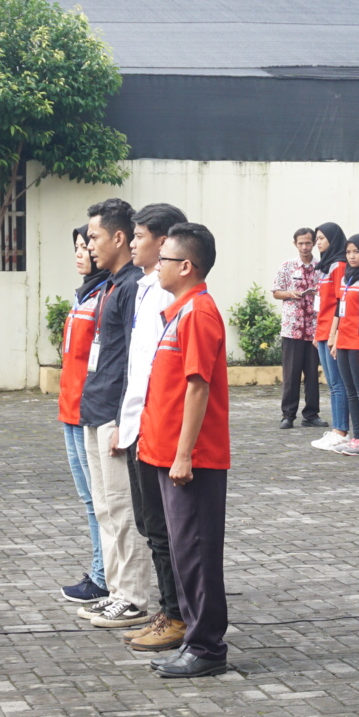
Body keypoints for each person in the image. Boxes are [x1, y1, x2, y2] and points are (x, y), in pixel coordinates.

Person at [140, 222, 233, 679]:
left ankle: (207, 647)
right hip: (168, 454)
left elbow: (198, 388)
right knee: (184, 554)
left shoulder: (199, 312)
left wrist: (183, 454)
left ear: (187, 266)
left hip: (192, 459)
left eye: (165, 259)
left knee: (196, 553)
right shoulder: (180, 311)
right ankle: (196, 640)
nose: (158, 266)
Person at [76, 198, 154, 630]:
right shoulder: (110, 284)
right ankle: (116, 590)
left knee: (122, 510)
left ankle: (134, 596)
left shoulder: (130, 288)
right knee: (106, 509)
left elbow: (134, 362)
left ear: (119, 237)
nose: (89, 245)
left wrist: (125, 424)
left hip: (113, 414)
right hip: (95, 407)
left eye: (95, 237)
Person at [117, 202, 191, 651]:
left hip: (157, 425)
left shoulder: (170, 295)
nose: (135, 243)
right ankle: (168, 609)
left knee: (163, 528)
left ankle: (177, 614)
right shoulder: (146, 288)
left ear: (164, 242)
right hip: (137, 421)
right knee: (150, 525)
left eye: (140, 236)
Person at [57, 226, 112, 605]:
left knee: (98, 499)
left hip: (88, 409)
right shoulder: (84, 295)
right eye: (77, 246)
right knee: (88, 498)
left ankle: (102, 575)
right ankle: (99, 570)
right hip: (70, 407)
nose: (81, 252)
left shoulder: (106, 294)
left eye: (86, 246)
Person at [272, 227, 323, 428]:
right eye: (301, 243)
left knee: (312, 374)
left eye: (308, 243)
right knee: (291, 374)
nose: (304, 247)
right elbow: (276, 291)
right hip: (292, 327)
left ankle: (311, 414)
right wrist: (290, 293)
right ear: (295, 244)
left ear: (313, 244)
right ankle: (288, 415)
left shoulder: (321, 267)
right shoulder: (287, 266)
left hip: (313, 327)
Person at [331, 233, 359, 455]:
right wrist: (334, 336)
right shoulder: (345, 277)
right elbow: (340, 309)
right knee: (350, 391)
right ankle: (356, 436)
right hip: (344, 340)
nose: (352, 256)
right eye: (348, 252)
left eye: (356, 252)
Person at [310, 222, 351, 447]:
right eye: (317, 238)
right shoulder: (326, 267)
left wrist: (334, 334)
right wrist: (318, 333)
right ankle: (338, 429)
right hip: (323, 331)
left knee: (338, 383)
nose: (318, 243)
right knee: (332, 383)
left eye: (322, 238)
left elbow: (339, 303)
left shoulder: (339, 266)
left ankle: (341, 430)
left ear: (333, 240)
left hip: (333, 332)